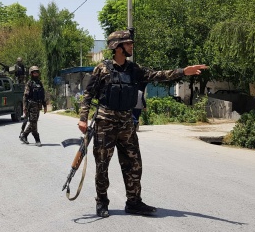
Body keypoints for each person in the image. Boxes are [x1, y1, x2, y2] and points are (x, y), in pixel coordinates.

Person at [78, 30, 208, 218]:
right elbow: (88, 94)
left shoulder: (134, 69)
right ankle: (102, 202)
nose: (131, 46)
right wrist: (83, 118)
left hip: (126, 125)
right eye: (128, 43)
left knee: (134, 164)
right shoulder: (102, 69)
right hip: (105, 123)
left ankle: (134, 202)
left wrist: (182, 72)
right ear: (117, 47)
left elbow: (158, 75)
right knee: (102, 165)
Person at [19, 66, 47, 147]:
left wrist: (45, 105)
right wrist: (24, 107)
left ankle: (24, 135)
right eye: (34, 72)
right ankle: (37, 139)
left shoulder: (39, 83)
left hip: (38, 106)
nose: (36, 73)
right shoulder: (29, 83)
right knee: (34, 123)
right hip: (31, 105)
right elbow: (25, 96)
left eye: (37, 72)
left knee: (33, 122)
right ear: (31, 73)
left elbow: (42, 95)